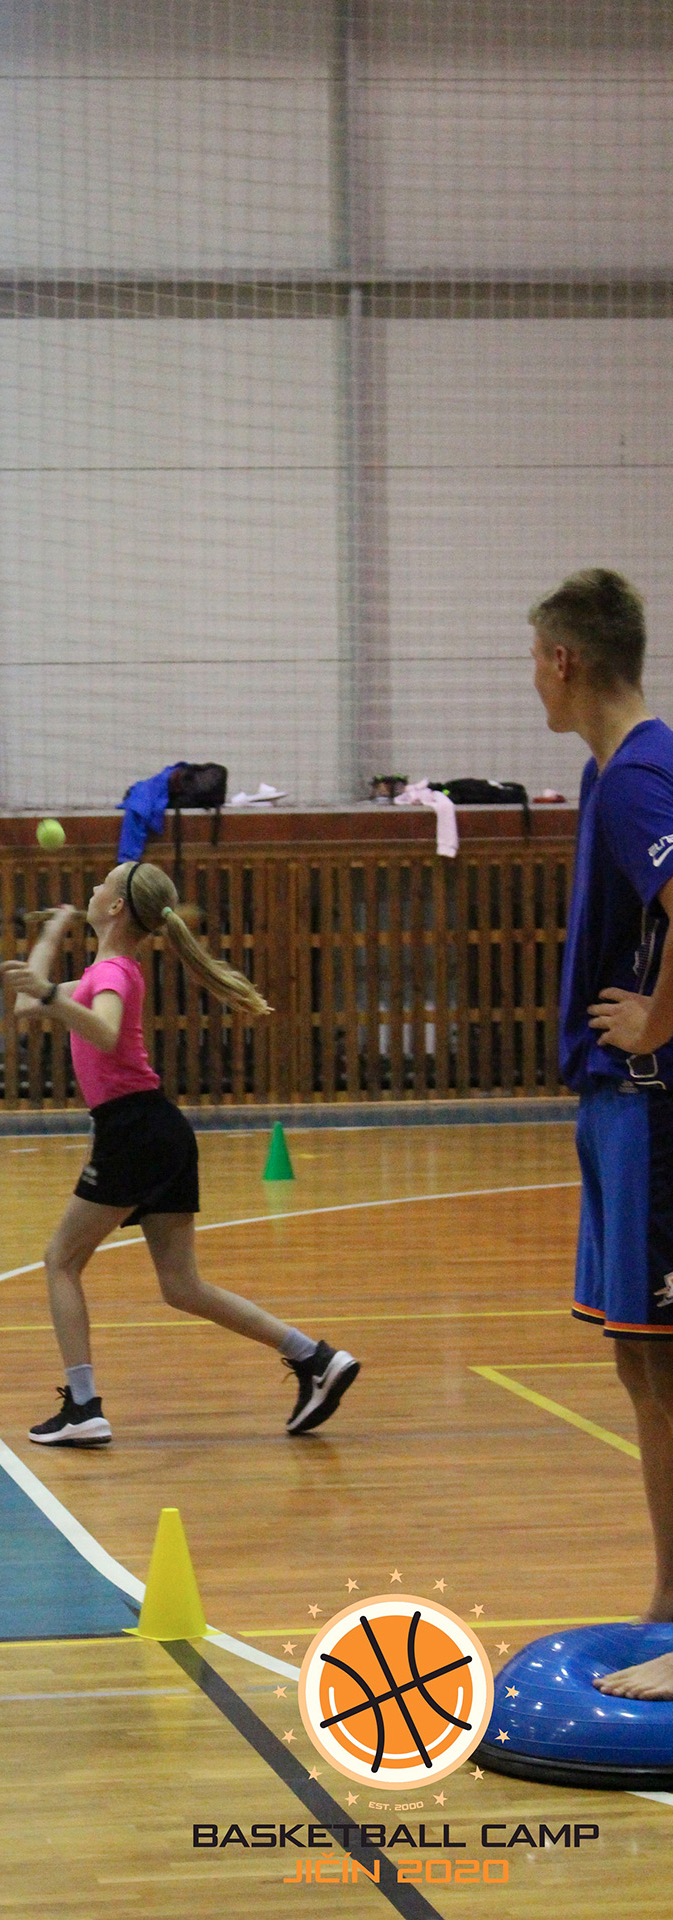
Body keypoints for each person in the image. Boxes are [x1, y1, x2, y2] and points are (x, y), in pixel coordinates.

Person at [0, 860, 360, 1447]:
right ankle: (314, 1358)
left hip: (135, 1130)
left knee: (60, 1260)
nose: (93, 888)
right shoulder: (103, 971)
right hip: (157, 1131)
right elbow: (27, 1005)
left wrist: (44, 990)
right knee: (182, 1286)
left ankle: (84, 1407)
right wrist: (51, 936)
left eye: (102, 883)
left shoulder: (113, 973)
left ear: (117, 906)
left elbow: (103, 1031)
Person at [529, 568, 673, 1700]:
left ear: (564, 660)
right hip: (618, 1107)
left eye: (533, 659)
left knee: (663, 1366)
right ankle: (667, 1599)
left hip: (653, 1106)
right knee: (640, 1359)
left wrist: (657, 1019)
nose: (531, 678)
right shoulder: (609, 772)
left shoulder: (634, 781)